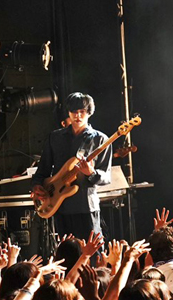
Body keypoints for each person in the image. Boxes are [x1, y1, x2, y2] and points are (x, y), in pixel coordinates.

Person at [30, 92, 112, 238]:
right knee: (66, 250)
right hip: (60, 206)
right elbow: (42, 171)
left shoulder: (100, 140)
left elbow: (106, 177)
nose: (78, 116)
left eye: (82, 111)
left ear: (89, 113)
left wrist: (91, 173)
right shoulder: (55, 138)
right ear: (68, 112)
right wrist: (36, 186)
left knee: (91, 249)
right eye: (74, 111)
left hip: (86, 207)